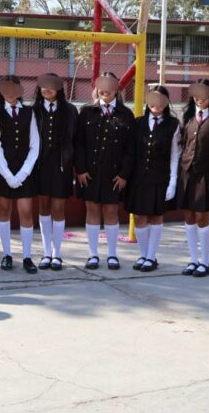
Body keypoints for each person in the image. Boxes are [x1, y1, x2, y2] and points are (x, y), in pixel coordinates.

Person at [75, 72, 135, 270]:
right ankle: (93, 255)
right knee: (92, 210)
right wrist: (81, 170)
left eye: (110, 85)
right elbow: (79, 144)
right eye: (101, 85)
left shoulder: (126, 114)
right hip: (90, 173)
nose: (105, 90)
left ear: (117, 88)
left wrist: (124, 174)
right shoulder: (86, 112)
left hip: (114, 174)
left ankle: (112, 255)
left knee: (111, 211)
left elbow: (130, 148)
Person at [0, 76, 40, 273]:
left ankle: (27, 256)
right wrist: (8, 175)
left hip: (24, 169)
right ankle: (7, 254)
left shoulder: (29, 113)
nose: (9, 93)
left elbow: (35, 144)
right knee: (4, 210)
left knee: (25, 212)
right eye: (5, 89)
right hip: (2, 170)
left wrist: (23, 173)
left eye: (13, 88)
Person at [125, 85, 180, 272]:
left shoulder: (173, 125)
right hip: (139, 177)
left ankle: (151, 256)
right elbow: (131, 152)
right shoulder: (138, 122)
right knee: (139, 216)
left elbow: (175, 155)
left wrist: (173, 182)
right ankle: (143, 254)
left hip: (160, 177)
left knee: (156, 216)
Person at [32, 73, 78, 271]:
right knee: (43, 208)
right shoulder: (34, 110)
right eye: (43, 85)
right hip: (40, 166)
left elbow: (76, 140)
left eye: (51, 85)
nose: (47, 89)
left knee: (58, 209)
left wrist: (74, 166)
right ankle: (46, 253)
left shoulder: (69, 111)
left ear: (59, 88)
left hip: (61, 166)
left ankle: (57, 254)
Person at [177, 80, 209, 278]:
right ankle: (193, 260)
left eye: (204, 93)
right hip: (186, 173)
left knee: (202, 217)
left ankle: (205, 261)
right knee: (188, 217)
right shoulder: (187, 117)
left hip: (207, 174)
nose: (200, 98)